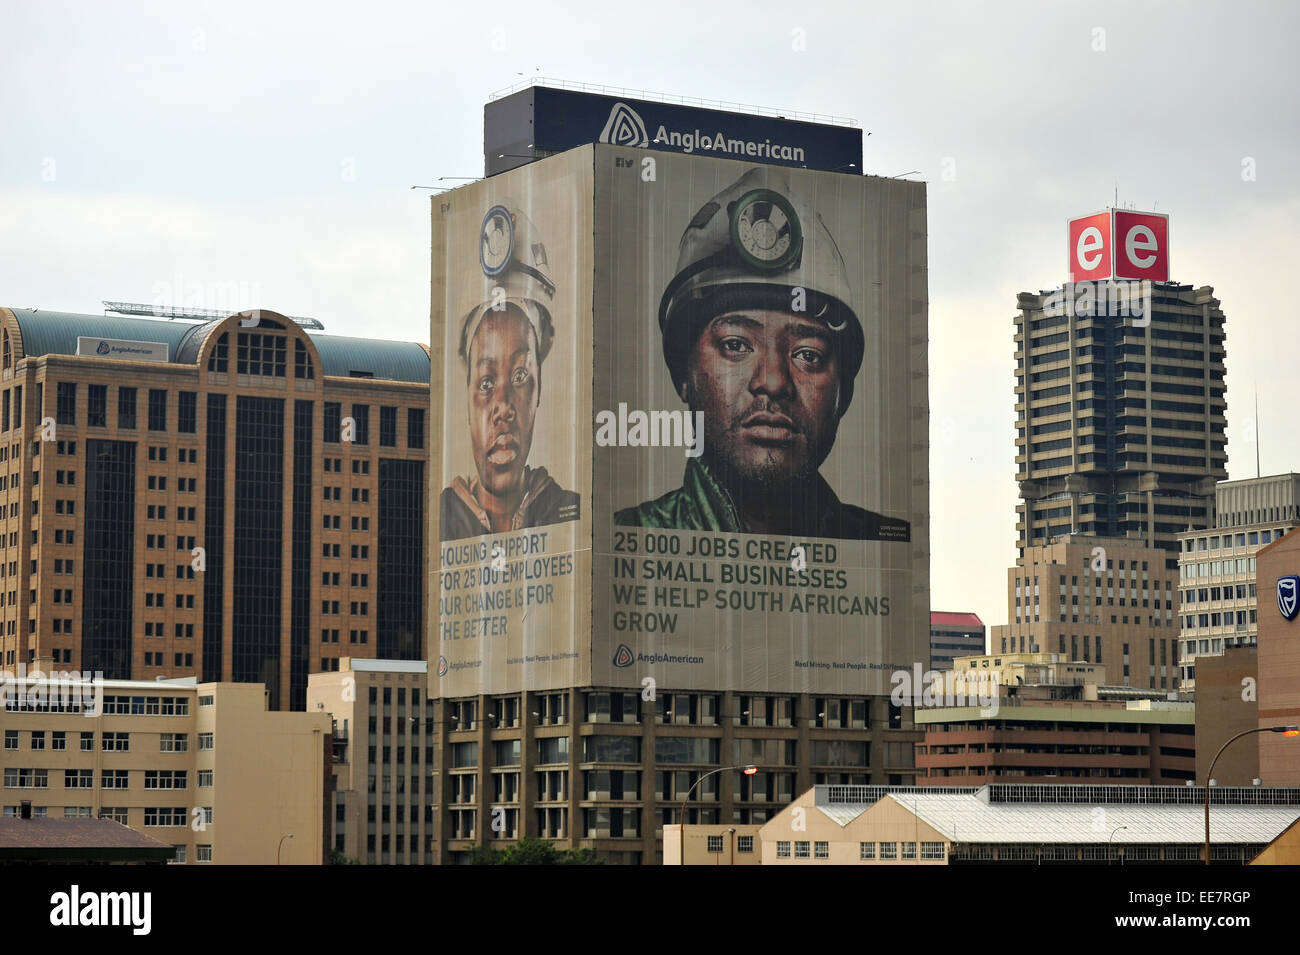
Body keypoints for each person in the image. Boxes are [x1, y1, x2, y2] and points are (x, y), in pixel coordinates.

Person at [614, 167, 909, 542]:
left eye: (808, 354)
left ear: (843, 392)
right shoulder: (625, 538)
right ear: (683, 373)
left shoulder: (883, 547)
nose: (772, 381)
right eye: (736, 345)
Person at [440, 203, 580, 540]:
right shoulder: (439, 519)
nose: (503, 407)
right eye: (486, 382)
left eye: (520, 376)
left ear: (539, 390)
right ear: (466, 400)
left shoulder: (571, 515)